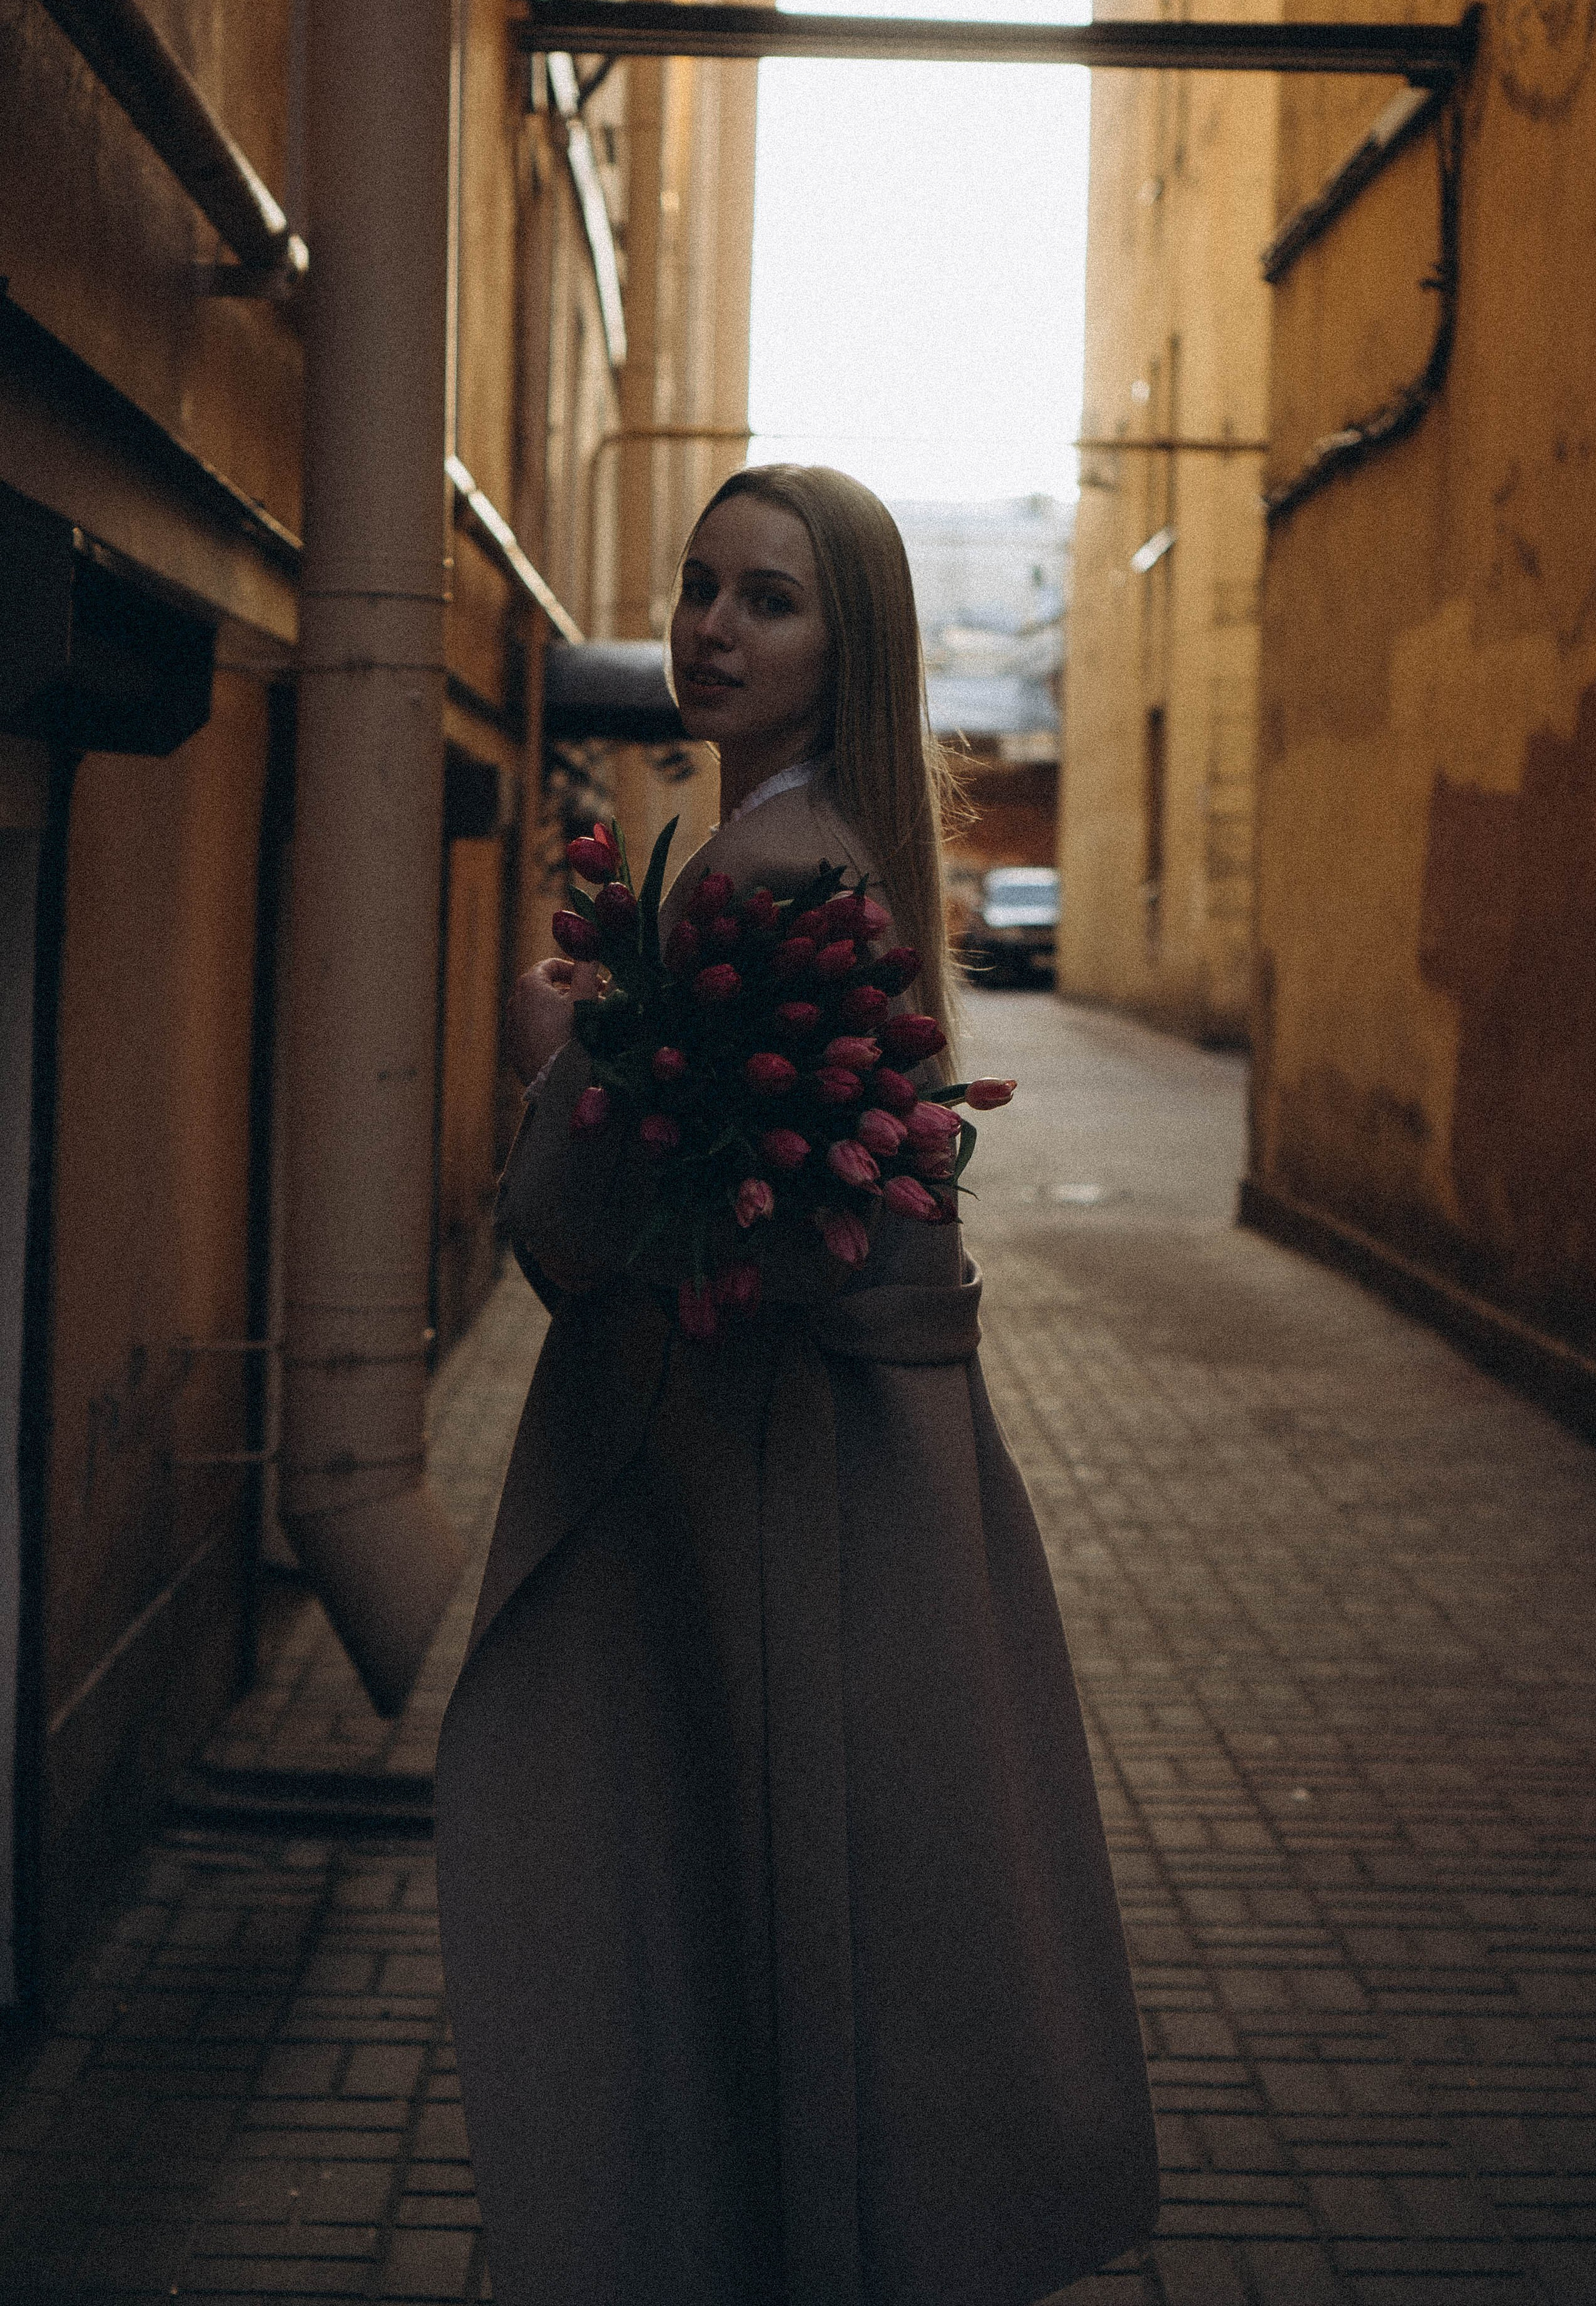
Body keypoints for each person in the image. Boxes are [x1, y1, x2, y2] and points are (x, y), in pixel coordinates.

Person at [435, 467, 1158, 2306]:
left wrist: (557, 1057)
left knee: (746, 1875)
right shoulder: (813, 843)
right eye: (699, 588)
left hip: (751, 1474)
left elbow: (621, 1229)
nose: (710, 630)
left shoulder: (771, 867)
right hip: (804, 1461)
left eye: (767, 599)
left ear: (850, 648)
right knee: (805, 1891)